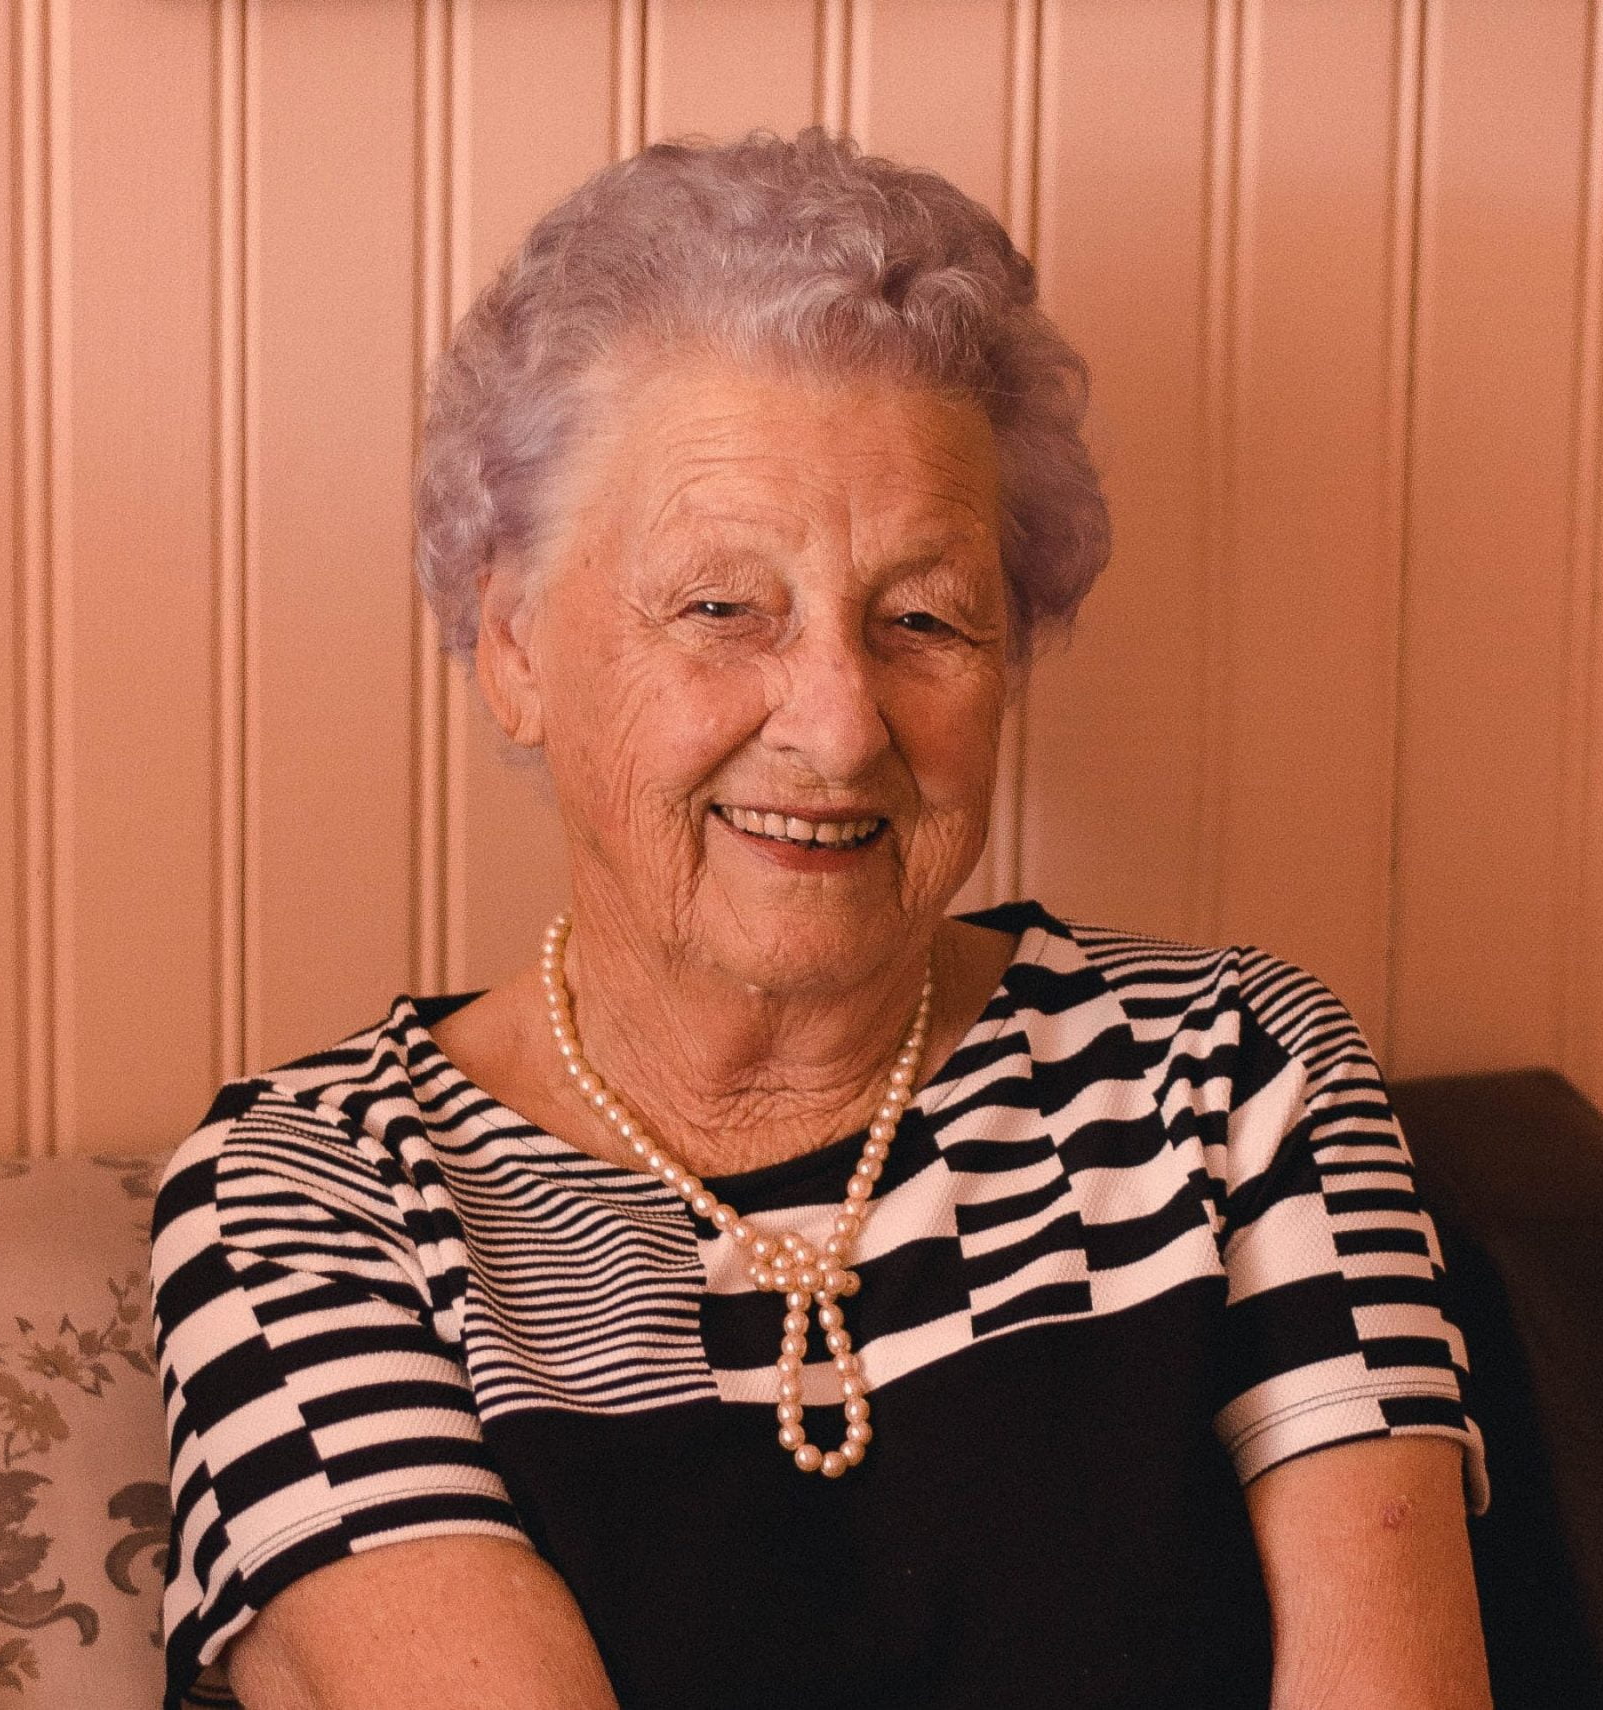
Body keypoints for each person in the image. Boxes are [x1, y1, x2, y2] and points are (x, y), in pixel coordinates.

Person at [150, 128, 1492, 1710]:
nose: (841, 725)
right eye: (725, 606)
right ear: (512, 643)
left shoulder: (1223, 1079)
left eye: (924, 618)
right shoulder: (316, 1200)